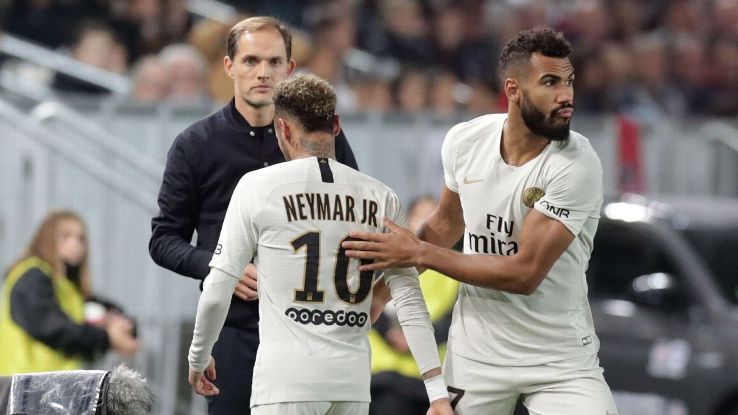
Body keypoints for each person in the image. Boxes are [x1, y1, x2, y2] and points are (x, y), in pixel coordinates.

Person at [343, 28, 619, 415]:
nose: (566, 96)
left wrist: (418, 250)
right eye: (551, 83)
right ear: (514, 89)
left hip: (558, 357)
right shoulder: (465, 141)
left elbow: (524, 274)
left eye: (569, 82)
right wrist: (383, 292)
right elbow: (445, 224)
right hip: (478, 353)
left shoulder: (576, 163)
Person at [187, 74, 453, 415]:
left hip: (286, 385)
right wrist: (436, 392)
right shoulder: (381, 197)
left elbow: (219, 285)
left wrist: (199, 356)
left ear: (282, 129)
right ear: (337, 126)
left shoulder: (258, 187)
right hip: (352, 387)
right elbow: (410, 301)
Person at [148, 16, 358, 415]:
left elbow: (351, 217)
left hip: (312, 332)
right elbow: (163, 240)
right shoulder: (195, 146)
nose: (263, 73)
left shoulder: (322, 139)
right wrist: (221, 266)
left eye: (274, 62)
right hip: (234, 332)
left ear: (290, 69)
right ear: (228, 67)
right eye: (250, 61)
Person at [0, 210, 138, 375]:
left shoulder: (67, 287)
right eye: (65, 236)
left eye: (81, 238)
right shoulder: (31, 276)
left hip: (49, 386)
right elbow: (54, 328)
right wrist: (107, 337)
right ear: (47, 239)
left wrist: (121, 325)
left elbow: (106, 310)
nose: (75, 244)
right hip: (24, 387)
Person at [369, 196, 459, 415]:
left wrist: (415, 340)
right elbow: (370, 303)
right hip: (380, 371)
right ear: (407, 221)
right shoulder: (385, 259)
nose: (427, 222)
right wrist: (390, 334)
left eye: (433, 216)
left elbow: (455, 318)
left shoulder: (455, 266)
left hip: (427, 379)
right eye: (421, 216)